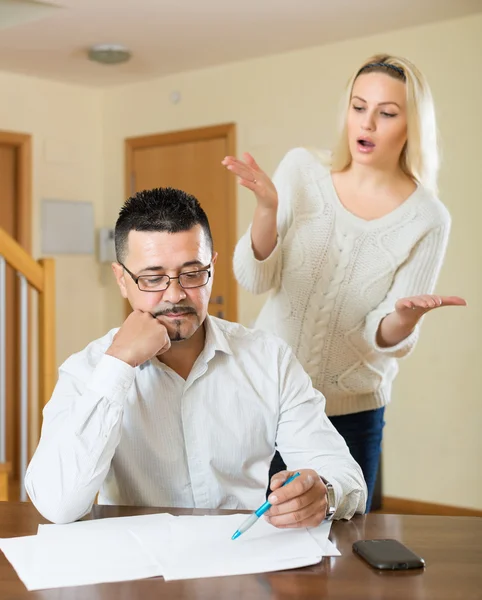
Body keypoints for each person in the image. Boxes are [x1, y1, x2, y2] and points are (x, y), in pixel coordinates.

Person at [25, 187, 366, 525]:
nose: (175, 294)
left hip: (240, 559)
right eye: (152, 278)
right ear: (122, 279)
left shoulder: (268, 358)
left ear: (212, 267)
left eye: (192, 274)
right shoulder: (88, 371)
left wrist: (324, 494)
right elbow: (58, 505)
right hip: (141, 567)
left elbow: (342, 473)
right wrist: (118, 365)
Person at [223, 54, 466, 511]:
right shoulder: (301, 170)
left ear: (411, 124)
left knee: (347, 548)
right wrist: (266, 211)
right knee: (256, 539)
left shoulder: (428, 218)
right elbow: (255, 277)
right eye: (359, 107)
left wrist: (403, 318)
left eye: (387, 112)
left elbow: (386, 337)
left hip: (351, 414)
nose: (368, 123)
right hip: (267, 399)